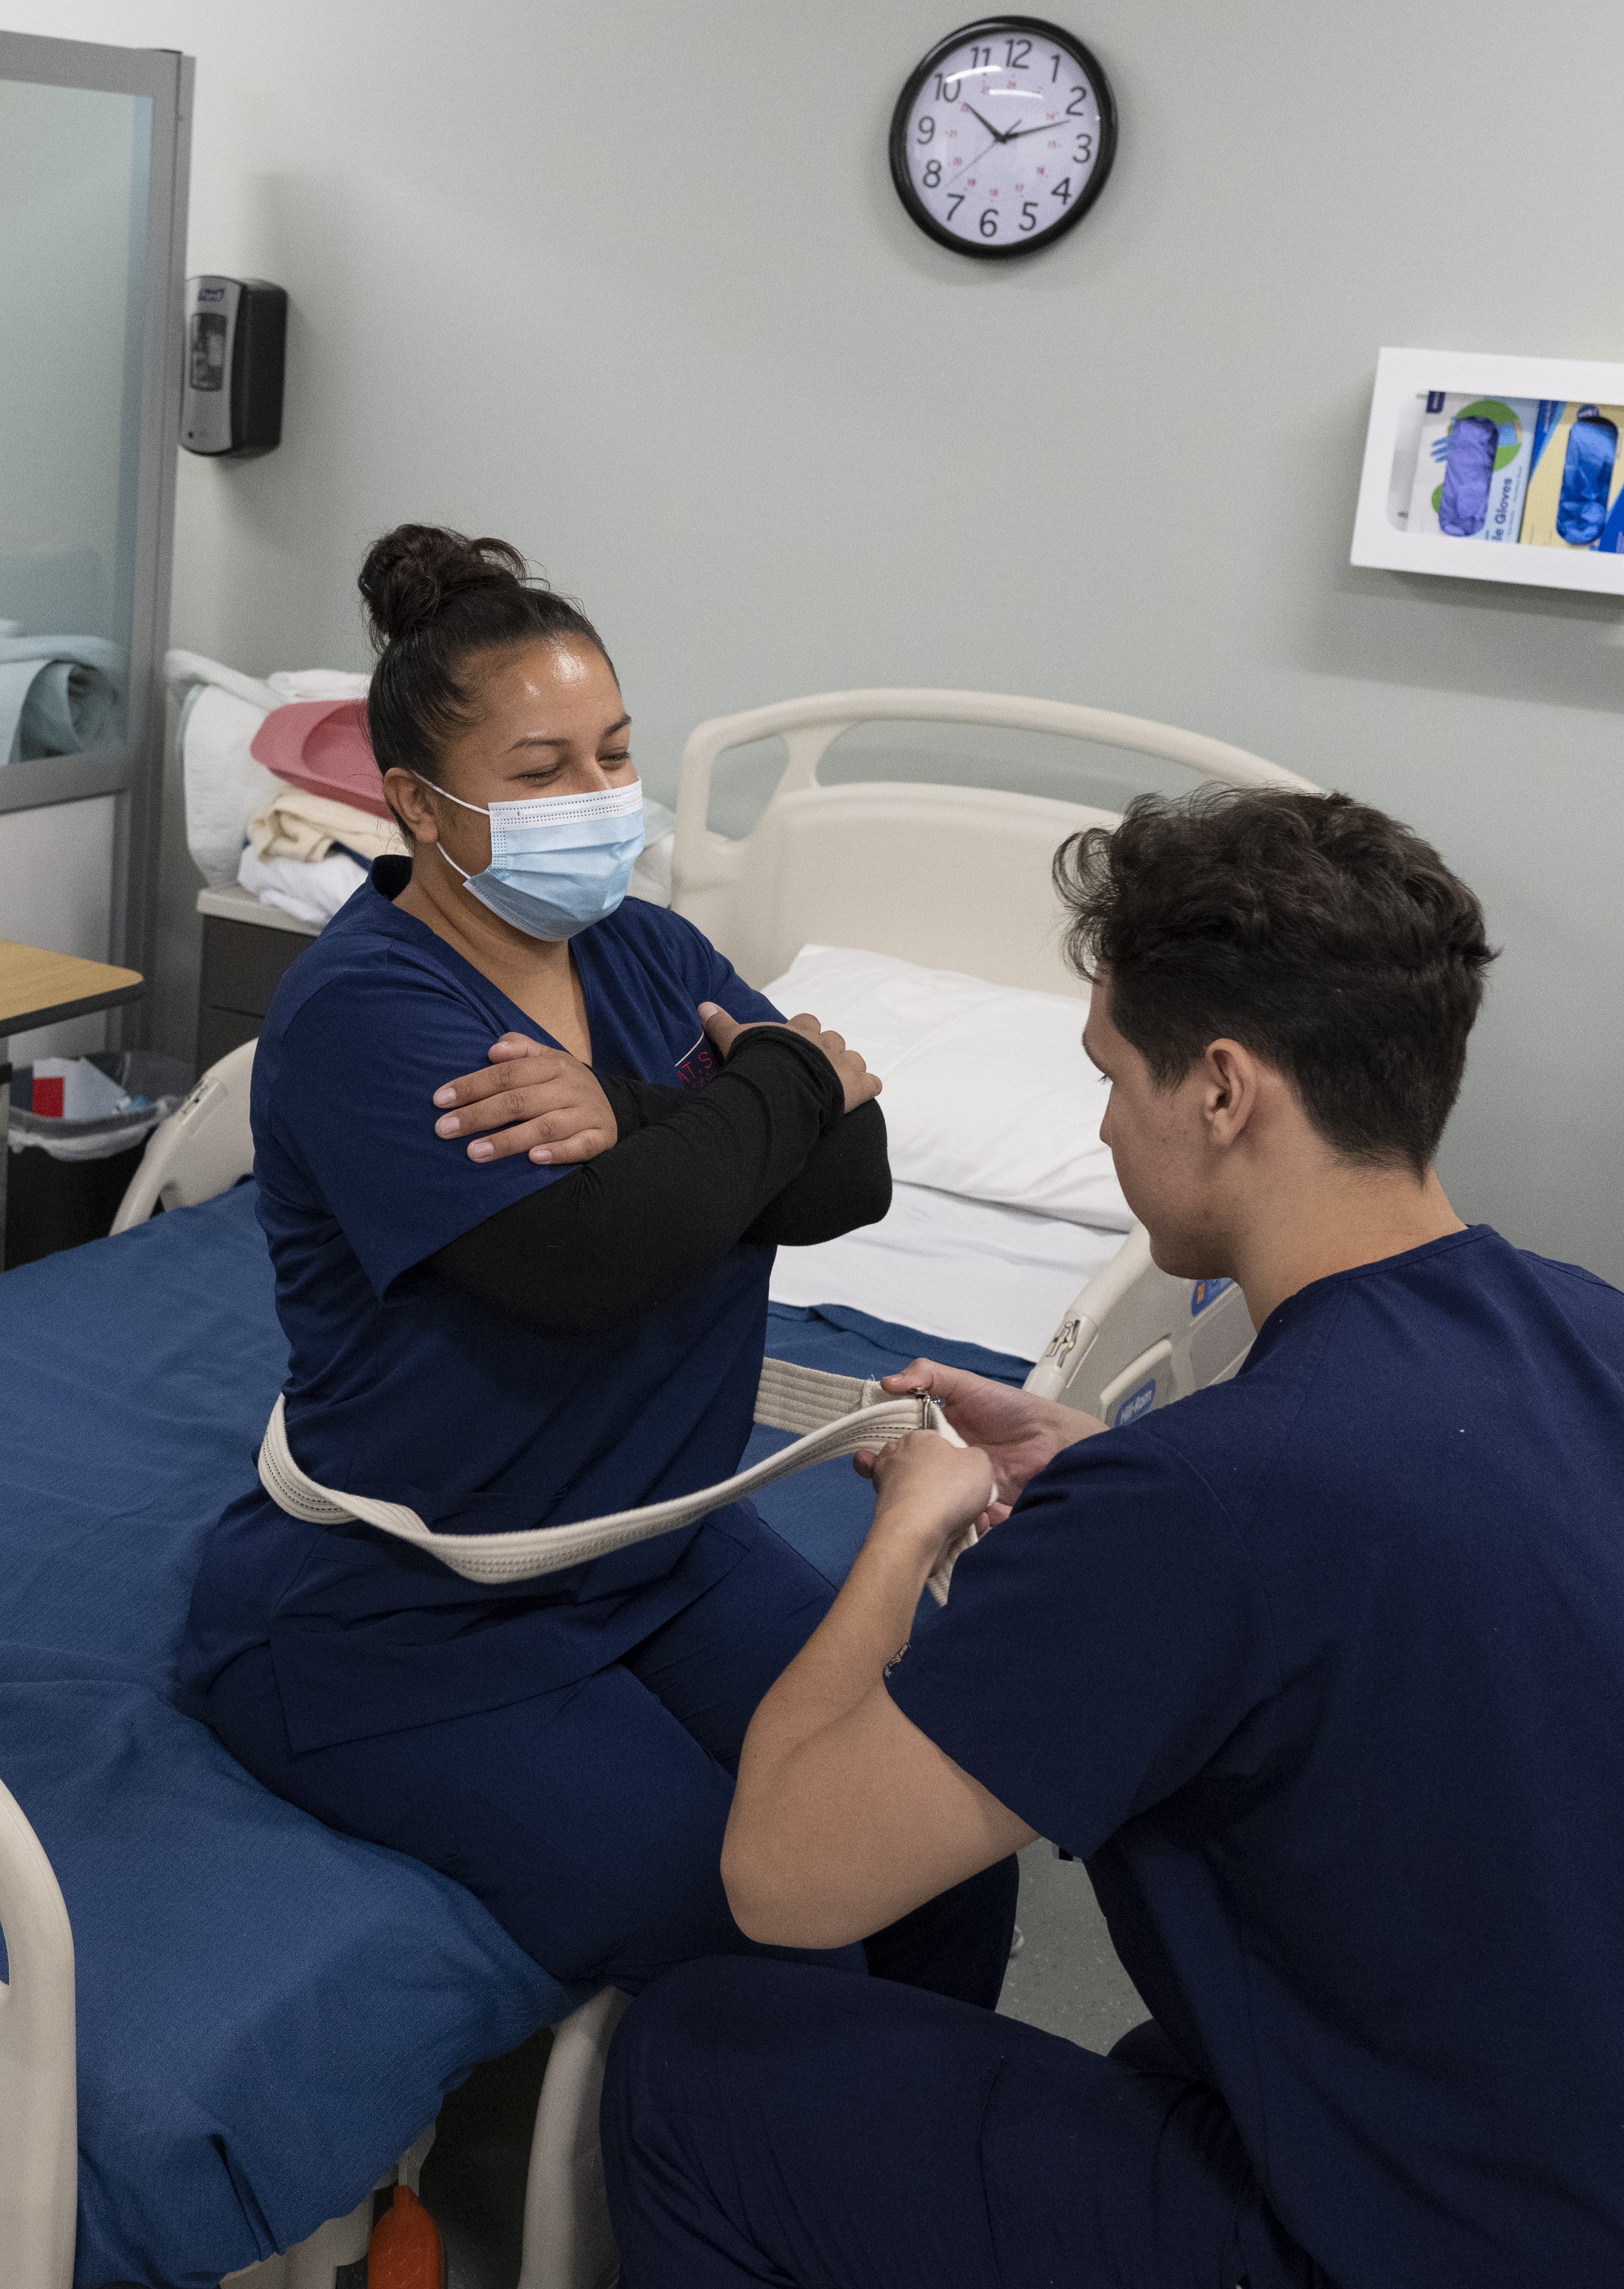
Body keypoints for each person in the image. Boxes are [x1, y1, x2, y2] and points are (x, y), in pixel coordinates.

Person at [595, 789, 1624, 2289]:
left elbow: (786, 1878)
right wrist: (1107, 1483)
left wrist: (902, 1534)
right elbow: (1404, 1577)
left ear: (1220, 1088)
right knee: (1162, 2073)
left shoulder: (1214, 1503)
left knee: (693, 2063)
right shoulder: (1608, 1347)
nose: (1095, 1125)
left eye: (1105, 1074)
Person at [177, 525, 1020, 2009]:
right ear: (416, 808)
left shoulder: (644, 952)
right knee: (741, 1918)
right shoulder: (367, 1012)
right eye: (541, 768)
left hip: (652, 1550)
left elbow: (849, 1176)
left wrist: (645, 1112)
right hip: (406, 1606)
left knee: (937, 1841)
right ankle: (728, 2225)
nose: (597, 800)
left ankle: (913, 2189)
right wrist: (775, 1081)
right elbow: (590, 1256)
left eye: (613, 754)